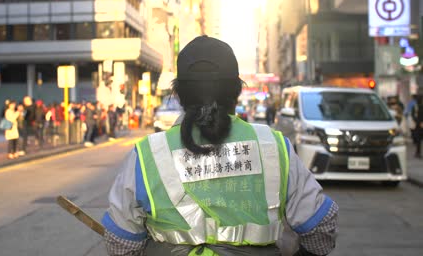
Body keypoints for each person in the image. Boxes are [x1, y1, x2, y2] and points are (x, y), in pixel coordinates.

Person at [101, 36, 338, 256]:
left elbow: (122, 242)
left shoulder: (147, 153)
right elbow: (320, 228)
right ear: (236, 91)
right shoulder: (273, 146)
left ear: (179, 94)